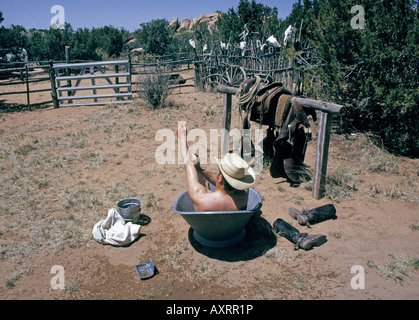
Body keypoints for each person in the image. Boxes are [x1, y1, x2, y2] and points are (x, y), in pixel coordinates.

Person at [177, 123, 255, 212]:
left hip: (203, 226)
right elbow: (226, 183)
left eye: (218, 171)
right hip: (233, 226)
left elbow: (188, 162)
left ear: (220, 178)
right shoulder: (243, 197)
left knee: (200, 180)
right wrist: (200, 170)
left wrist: (181, 137)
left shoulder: (200, 196)